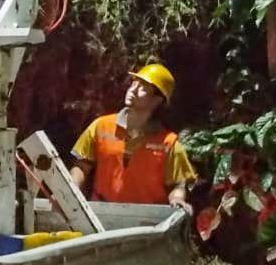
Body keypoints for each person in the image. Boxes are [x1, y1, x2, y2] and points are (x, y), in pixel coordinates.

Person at [68, 62, 195, 208]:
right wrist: (71, 189)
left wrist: (177, 198)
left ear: (157, 100)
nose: (133, 90)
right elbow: (81, 166)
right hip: (102, 212)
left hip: (147, 217)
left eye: (143, 87)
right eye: (134, 84)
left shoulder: (169, 143)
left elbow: (178, 184)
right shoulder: (101, 126)